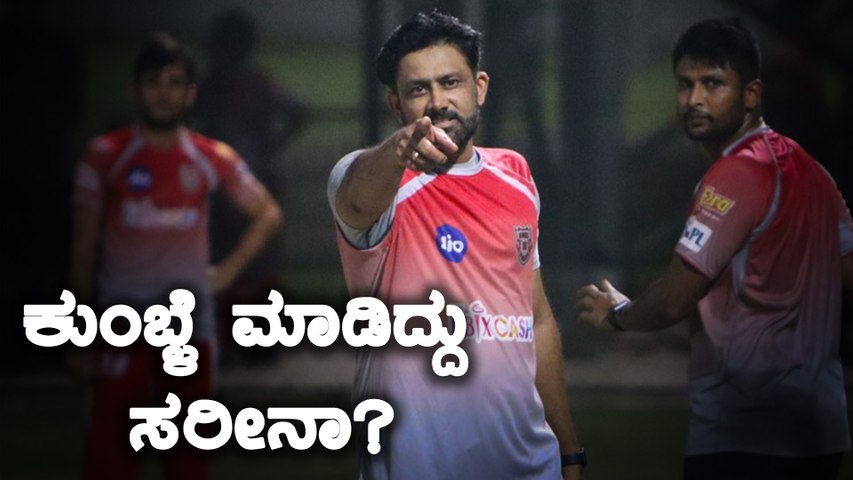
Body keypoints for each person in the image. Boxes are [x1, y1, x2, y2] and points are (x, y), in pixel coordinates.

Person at [575, 18, 852, 480]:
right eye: (685, 84)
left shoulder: (735, 175)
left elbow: (674, 298)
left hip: (746, 428)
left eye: (713, 83)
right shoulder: (811, 171)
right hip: (820, 428)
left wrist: (619, 315)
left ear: (751, 94)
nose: (694, 100)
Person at [327, 10, 583, 480]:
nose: (438, 102)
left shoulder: (516, 175)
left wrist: (568, 448)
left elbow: (537, 318)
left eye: (450, 82)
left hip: (529, 466)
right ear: (395, 105)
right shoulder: (376, 181)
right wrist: (398, 151)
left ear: (479, 87)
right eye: (418, 90)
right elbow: (356, 196)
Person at [68, 32, 283, 479]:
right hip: (121, 324)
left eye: (174, 82)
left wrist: (225, 273)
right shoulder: (105, 156)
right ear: (136, 89)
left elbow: (267, 213)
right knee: (110, 455)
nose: (163, 93)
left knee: (188, 458)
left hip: (188, 328)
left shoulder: (209, 156)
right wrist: (79, 329)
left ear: (190, 93)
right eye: (153, 82)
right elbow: (84, 246)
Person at [193, 8, 308, 327]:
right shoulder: (237, 84)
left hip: (247, 183)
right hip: (234, 183)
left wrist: (273, 145)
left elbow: (299, 110)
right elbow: (299, 109)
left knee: (251, 256)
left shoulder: (229, 85)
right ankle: (244, 327)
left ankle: (255, 327)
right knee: (241, 256)